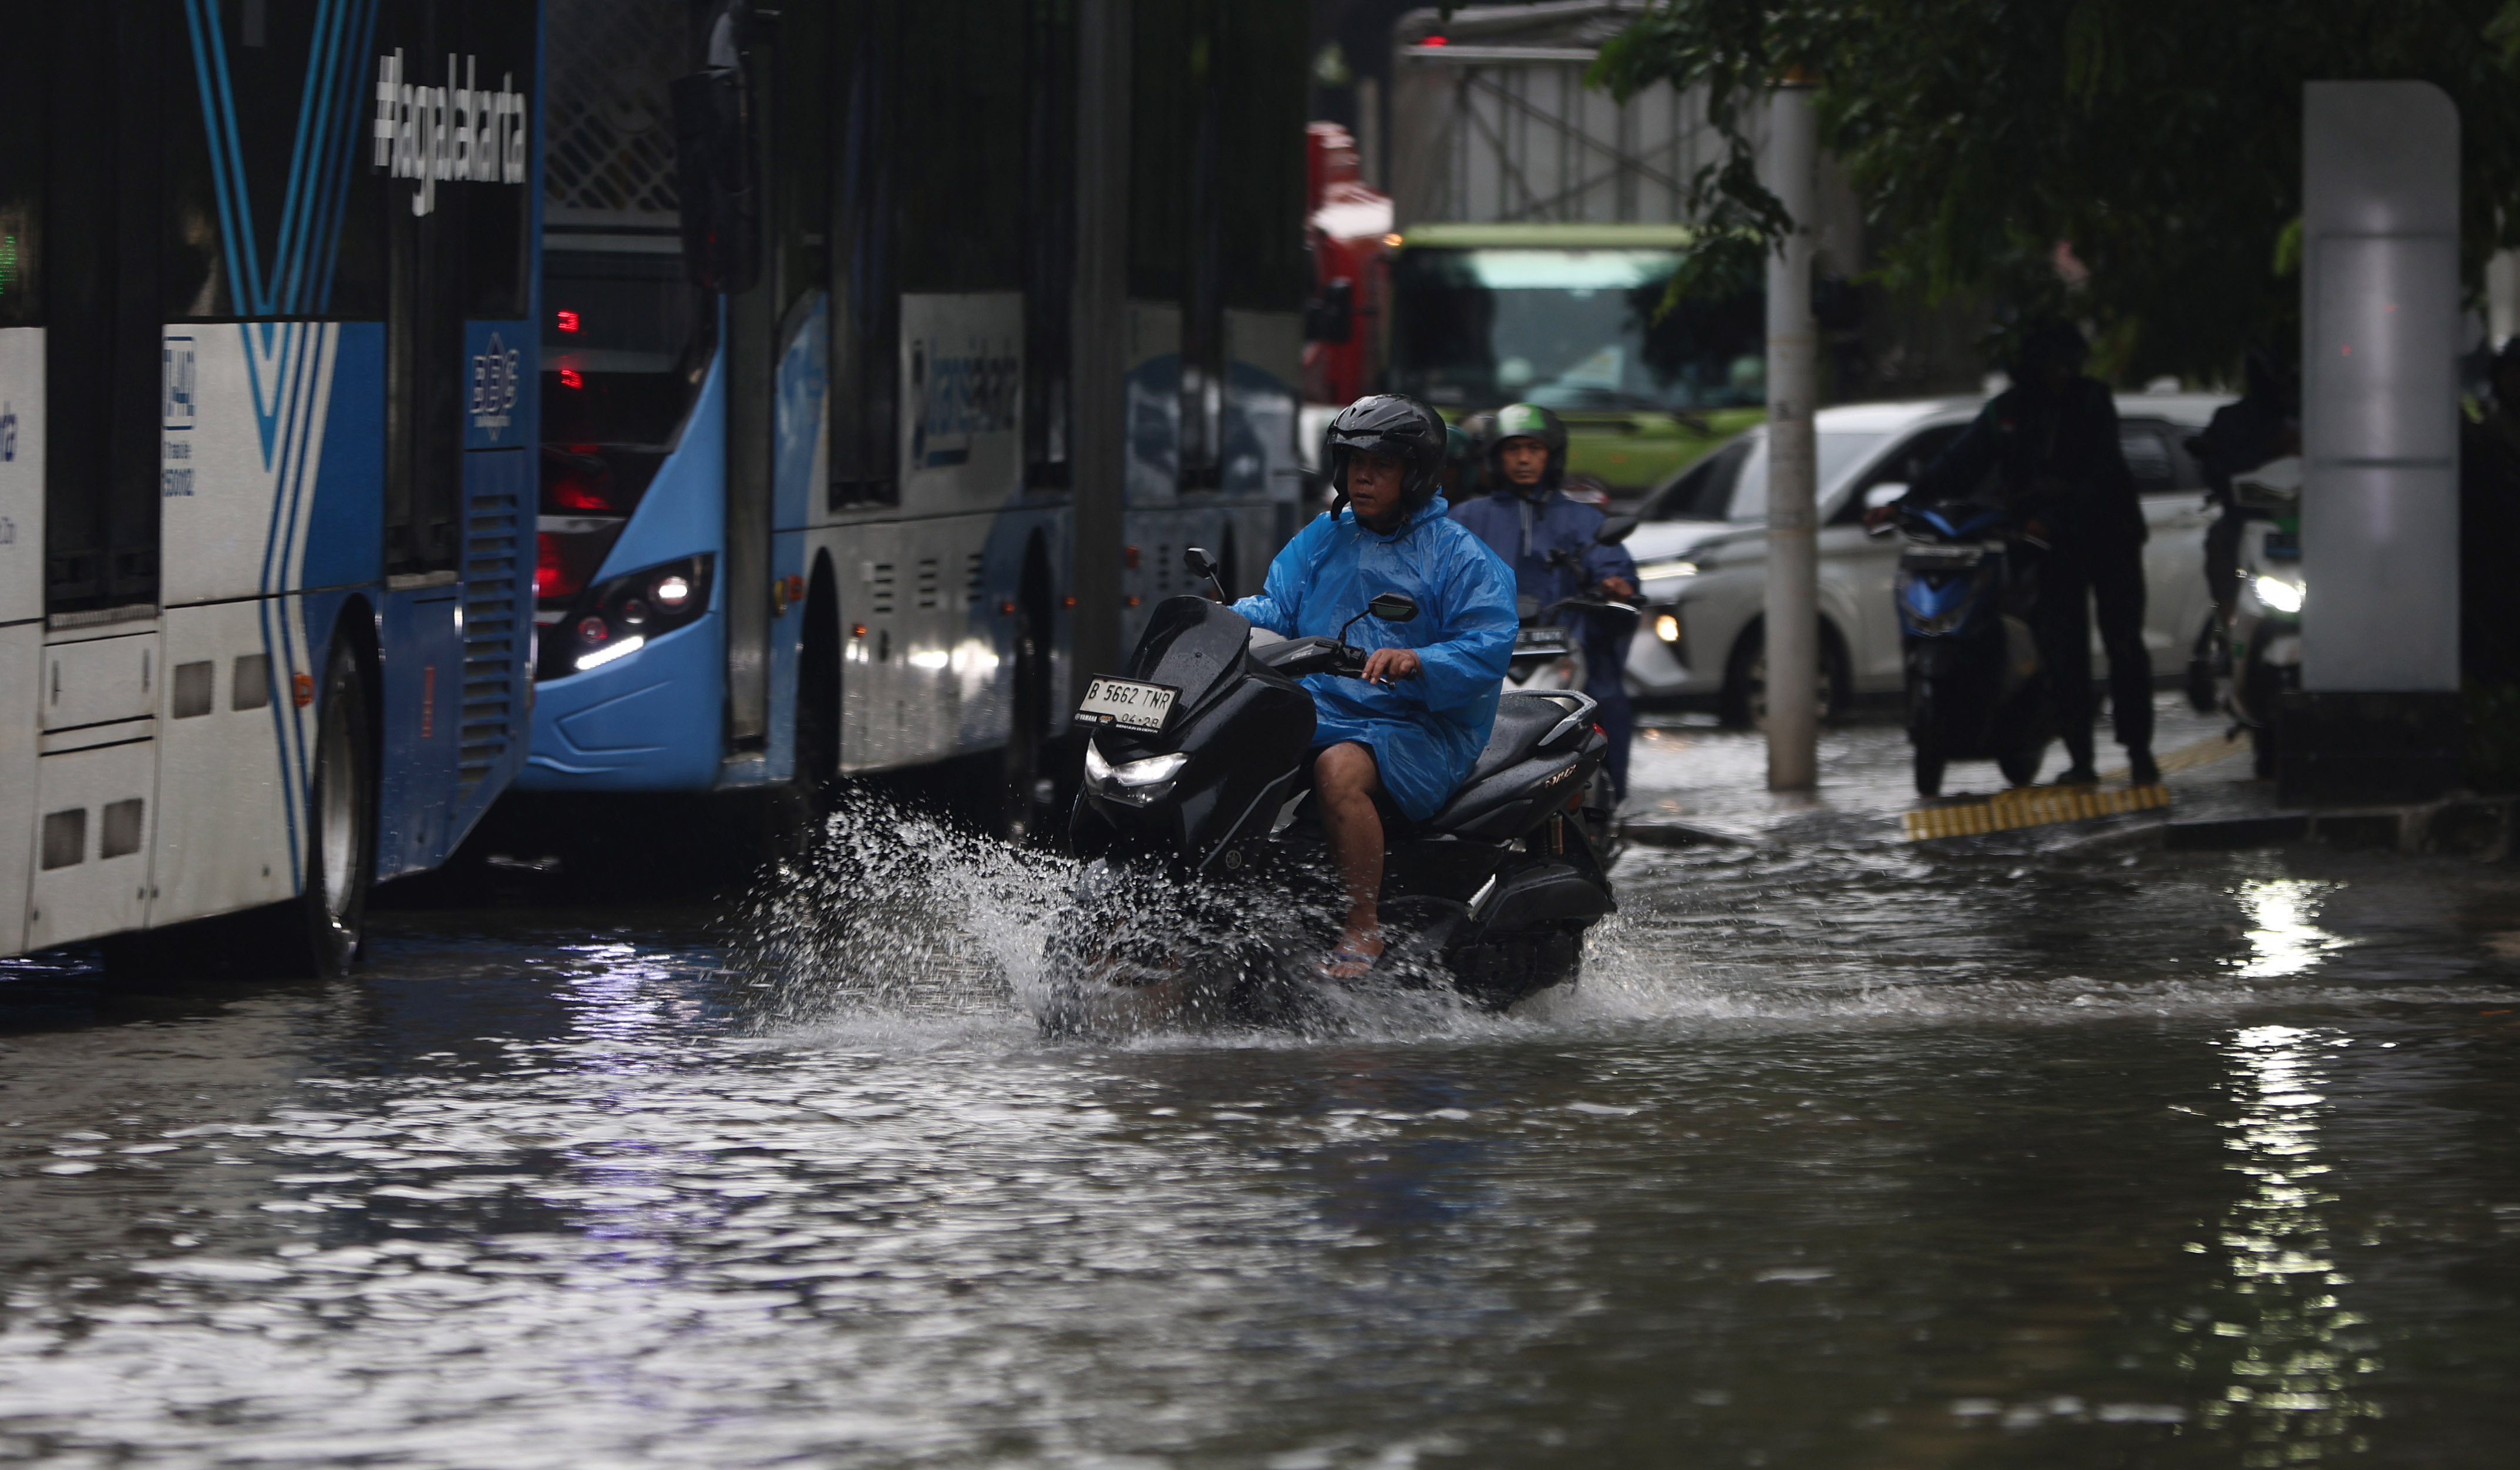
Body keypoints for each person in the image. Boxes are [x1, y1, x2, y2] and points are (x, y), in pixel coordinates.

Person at [1232, 395, 1518, 976]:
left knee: (1339, 768)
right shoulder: (1323, 535)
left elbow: (1488, 641)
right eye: (1353, 461)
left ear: (1414, 472)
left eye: (1381, 464)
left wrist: (1418, 659)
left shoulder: (1458, 556)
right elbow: (1277, 608)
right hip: (1320, 703)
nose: (1362, 475)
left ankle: (1363, 925)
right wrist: (1222, 618)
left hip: (1416, 723)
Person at [1869, 322, 2155, 785]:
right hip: (2046, 544)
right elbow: (1957, 464)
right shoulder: (2007, 413)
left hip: (2108, 537)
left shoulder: (2091, 402)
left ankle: (2139, 752)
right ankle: (2080, 757)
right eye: (2053, 367)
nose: (2062, 375)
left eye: (2068, 366)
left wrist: (2055, 517)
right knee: (2062, 652)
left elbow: (2098, 476)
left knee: (2123, 645)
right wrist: (1903, 506)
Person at [1449, 402, 1641, 799]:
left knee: (1609, 700)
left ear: (1551, 455)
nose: (1523, 458)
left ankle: (1607, 801)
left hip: (1566, 647)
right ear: (1495, 457)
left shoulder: (1582, 519)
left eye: (1533, 448)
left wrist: (1615, 585)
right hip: (1486, 648)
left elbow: (1611, 564)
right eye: (1512, 448)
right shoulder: (1464, 518)